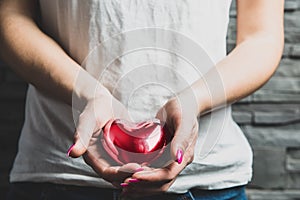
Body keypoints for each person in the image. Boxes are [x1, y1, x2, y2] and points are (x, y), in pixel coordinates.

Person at [0, 0, 284, 199]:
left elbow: (261, 37)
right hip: (59, 177)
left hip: (208, 182)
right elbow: (11, 17)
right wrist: (88, 94)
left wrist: (194, 99)